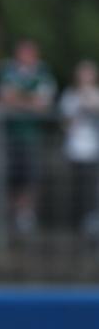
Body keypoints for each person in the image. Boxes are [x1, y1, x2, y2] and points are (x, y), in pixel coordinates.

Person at [0, 39, 57, 235]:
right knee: (10, 178)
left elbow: (43, 105)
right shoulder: (7, 71)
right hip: (10, 136)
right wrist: (29, 101)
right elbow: (4, 100)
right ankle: (11, 216)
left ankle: (26, 215)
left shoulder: (43, 74)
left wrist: (18, 100)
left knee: (31, 178)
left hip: (32, 137)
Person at [59, 60, 99, 235]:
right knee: (79, 187)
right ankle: (79, 222)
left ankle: (91, 220)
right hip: (75, 149)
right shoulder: (70, 96)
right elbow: (65, 123)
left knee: (92, 187)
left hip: (94, 149)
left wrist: (92, 105)